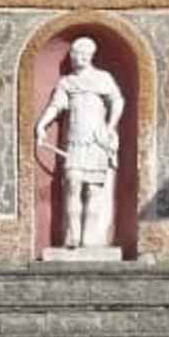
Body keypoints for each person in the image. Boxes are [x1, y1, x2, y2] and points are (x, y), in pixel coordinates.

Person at [33, 37, 125, 250]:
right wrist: (42, 124)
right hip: (75, 141)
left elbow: (117, 101)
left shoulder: (103, 78)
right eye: (75, 54)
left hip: (96, 140)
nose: (78, 58)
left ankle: (90, 239)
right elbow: (56, 106)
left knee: (93, 190)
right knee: (72, 185)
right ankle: (71, 237)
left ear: (91, 56)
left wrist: (110, 127)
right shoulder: (67, 82)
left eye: (83, 54)